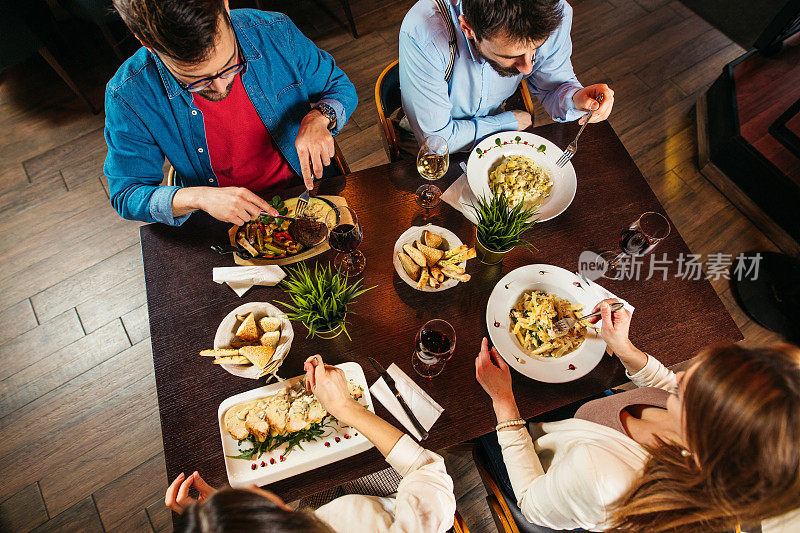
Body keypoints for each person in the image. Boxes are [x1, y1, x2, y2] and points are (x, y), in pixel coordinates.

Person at [475, 300, 800, 532]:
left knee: (472, 410)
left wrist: (504, 402)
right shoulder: (707, 440)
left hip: (545, 480)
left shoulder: (606, 481)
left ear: (706, 434)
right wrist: (627, 349)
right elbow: (667, 386)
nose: (681, 376)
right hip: (581, 426)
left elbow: (533, 503)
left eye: (693, 390)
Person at [105, 0, 357, 226]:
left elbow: (340, 86)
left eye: (230, 65)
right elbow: (126, 193)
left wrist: (319, 117)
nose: (220, 86)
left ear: (225, 6)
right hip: (223, 222)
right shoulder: (129, 94)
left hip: (308, 193)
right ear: (147, 44)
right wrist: (199, 197)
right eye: (197, 82)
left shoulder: (274, 31)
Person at [165, 355, 457, 532]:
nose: (252, 488)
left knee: (321, 481)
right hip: (390, 507)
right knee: (361, 466)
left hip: (317, 513)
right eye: (252, 500)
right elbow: (427, 470)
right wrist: (345, 406)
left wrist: (225, 519)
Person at [399, 0, 614, 152]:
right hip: (430, 148)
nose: (528, 68)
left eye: (535, 49)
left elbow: (553, 85)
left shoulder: (553, 11)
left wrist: (576, 98)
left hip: (499, 136)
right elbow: (436, 142)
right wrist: (506, 122)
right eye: (513, 56)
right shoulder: (423, 34)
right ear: (468, 28)